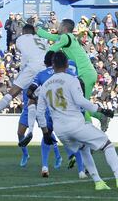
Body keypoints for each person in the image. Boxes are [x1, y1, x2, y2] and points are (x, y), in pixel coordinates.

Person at [36, 51, 118, 190]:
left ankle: (98, 182)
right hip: (75, 125)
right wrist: (102, 110)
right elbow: (81, 101)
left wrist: (46, 133)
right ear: (67, 64)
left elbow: (40, 112)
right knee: (107, 145)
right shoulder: (72, 80)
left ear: (52, 65)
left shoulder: (45, 85)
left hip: (60, 131)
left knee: (84, 149)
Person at [0, 24, 48, 167]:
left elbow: (25, 57)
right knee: (33, 99)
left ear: (24, 32)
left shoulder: (21, 39)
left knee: (11, 93)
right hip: (45, 69)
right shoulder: (43, 41)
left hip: (32, 67)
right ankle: (31, 131)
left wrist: (22, 74)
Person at [22, 51, 87, 179]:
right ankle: (81, 171)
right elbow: (81, 87)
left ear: (46, 62)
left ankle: (45, 167)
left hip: (49, 112)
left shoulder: (41, 75)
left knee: (46, 138)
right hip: (66, 113)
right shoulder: (70, 73)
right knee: (75, 140)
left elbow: (29, 92)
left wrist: (35, 97)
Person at [36, 19, 109, 131]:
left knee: (80, 106)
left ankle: (89, 135)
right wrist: (37, 30)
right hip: (87, 73)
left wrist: (48, 57)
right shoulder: (68, 38)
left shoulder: (66, 37)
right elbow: (50, 36)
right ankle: (100, 117)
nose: (58, 27)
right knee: (79, 103)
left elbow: (53, 47)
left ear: (64, 28)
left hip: (84, 74)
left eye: (60, 26)